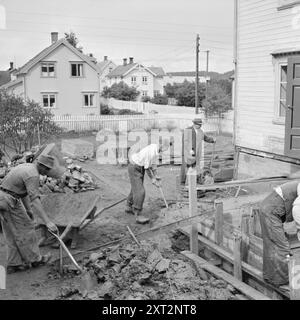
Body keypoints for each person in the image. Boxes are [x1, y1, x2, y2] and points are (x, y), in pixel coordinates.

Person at [0, 155, 59, 274]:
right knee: (27, 228)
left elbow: (24, 192)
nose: (47, 173)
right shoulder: (33, 175)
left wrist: (28, 210)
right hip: (9, 201)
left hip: (3, 197)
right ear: (41, 166)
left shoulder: (26, 166)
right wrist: (47, 221)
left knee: (10, 233)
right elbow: (35, 199)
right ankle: (36, 260)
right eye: (47, 169)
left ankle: (14, 264)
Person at [259, 175, 300, 287]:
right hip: (271, 210)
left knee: (271, 246)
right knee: (281, 247)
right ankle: (282, 282)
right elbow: (297, 211)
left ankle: (270, 277)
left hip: (271, 207)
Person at [126, 140, 171, 224]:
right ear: (161, 145)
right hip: (134, 167)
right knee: (140, 191)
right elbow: (147, 168)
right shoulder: (151, 151)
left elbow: (153, 165)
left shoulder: (156, 150)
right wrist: (153, 180)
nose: (165, 150)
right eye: (165, 147)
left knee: (135, 188)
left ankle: (128, 206)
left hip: (140, 166)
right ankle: (138, 214)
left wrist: (156, 175)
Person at [180, 118, 216, 184]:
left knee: (195, 166)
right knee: (186, 167)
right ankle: (183, 182)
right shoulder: (187, 130)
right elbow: (185, 142)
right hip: (187, 153)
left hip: (197, 153)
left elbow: (205, 138)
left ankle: (194, 181)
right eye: (199, 125)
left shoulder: (200, 131)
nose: (200, 126)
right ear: (194, 124)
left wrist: (212, 140)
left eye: (201, 125)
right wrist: (189, 150)